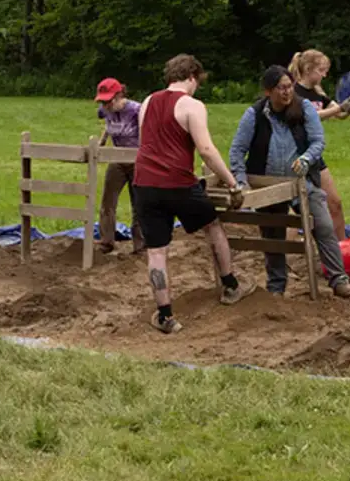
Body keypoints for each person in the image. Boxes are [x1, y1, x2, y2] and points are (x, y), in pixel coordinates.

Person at [132, 54, 257, 334]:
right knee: (212, 225)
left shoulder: (148, 102)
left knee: (157, 250)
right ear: (192, 77)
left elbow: (147, 143)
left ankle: (165, 315)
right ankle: (230, 286)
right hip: (177, 182)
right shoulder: (192, 105)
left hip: (145, 183)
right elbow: (207, 150)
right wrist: (232, 182)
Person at [228, 66, 350, 300]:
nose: (286, 92)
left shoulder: (303, 108)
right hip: (268, 185)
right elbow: (237, 150)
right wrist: (241, 182)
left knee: (323, 226)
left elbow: (317, 141)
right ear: (268, 92)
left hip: (302, 182)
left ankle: (339, 280)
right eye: (281, 88)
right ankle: (276, 287)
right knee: (273, 235)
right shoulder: (254, 114)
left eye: (289, 86)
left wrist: (306, 159)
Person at [288, 50, 350, 240]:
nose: (324, 75)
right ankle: (291, 251)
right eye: (321, 70)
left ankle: (343, 248)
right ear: (309, 69)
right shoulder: (293, 92)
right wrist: (337, 109)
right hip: (295, 156)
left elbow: (339, 113)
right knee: (296, 208)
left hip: (315, 156)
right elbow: (308, 116)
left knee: (335, 202)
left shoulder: (318, 94)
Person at [93, 78, 144, 254]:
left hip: (137, 160)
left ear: (119, 95)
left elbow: (146, 133)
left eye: (108, 101)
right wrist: (101, 142)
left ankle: (140, 244)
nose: (105, 105)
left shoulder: (136, 110)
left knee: (138, 202)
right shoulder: (104, 111)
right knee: (108, 200)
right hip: (117, 158)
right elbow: (108, 126)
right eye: (102, 101)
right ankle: (106, 241)